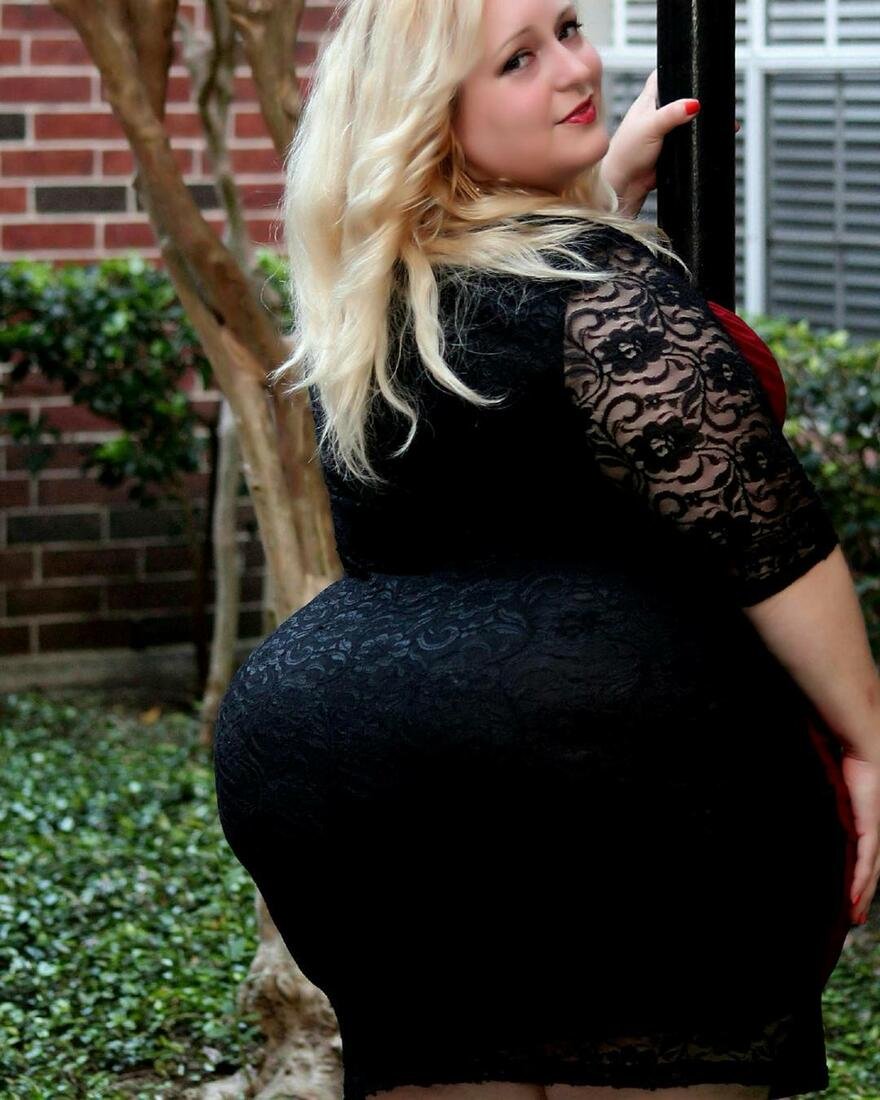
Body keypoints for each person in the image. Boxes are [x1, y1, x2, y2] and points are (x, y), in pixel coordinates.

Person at [212, 2, 880, 1099]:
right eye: (519, 61)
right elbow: (766, 538)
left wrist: (601, 190)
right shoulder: (607, 288)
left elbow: (512, 407)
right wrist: (865, 735)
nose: (576, 67)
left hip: (348, 783)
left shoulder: (380, 294)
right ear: (433, 114)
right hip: (606, 778)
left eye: (567, 27)